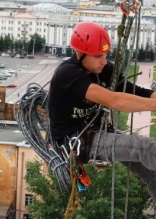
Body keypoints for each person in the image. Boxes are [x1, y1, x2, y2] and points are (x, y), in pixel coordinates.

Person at [47, 21, 156, 201]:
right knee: (143, 147)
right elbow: (114, 100)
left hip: (96, 131)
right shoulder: (68, 74)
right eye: (98, 56)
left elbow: (131, 91)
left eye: (105, 55)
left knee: (151, 173)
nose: (104, 61)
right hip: (78, 141)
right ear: (80, 54)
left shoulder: (102, 69)